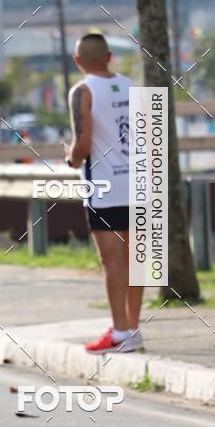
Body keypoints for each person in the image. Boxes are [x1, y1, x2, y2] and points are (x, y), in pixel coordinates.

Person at [65, 33, 144, 353]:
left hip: (104, 187)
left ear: (77, 61)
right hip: (138, 183)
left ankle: (120, 332)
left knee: (112, 261)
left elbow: (82, 146)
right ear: (110, 58)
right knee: (135, 260)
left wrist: (70, 158)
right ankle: (133, 329)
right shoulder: (132, 86)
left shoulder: (81, 91)